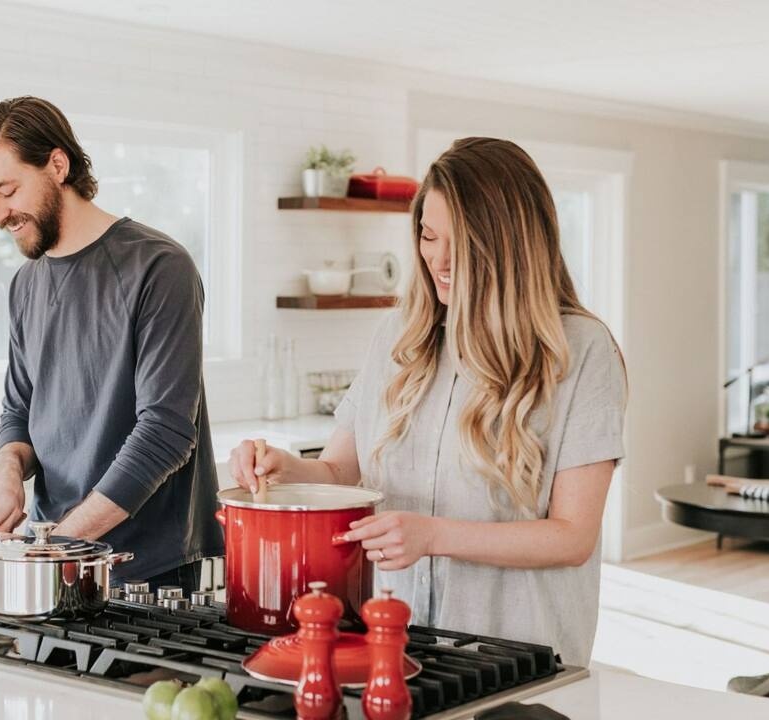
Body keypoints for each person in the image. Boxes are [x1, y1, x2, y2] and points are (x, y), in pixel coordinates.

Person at [229, 137, 626, 666]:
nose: (438, 259)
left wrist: (434, 536)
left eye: (460, 242)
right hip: (394, 644)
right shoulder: (399, 336)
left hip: (515, 654)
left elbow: (572, 536)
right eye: (428, 235)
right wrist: (287, 470)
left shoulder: (580, 351)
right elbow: (342, 471)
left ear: (511, 244)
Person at [0, 96, 223, 590]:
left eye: (7, 190)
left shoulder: (159, 267)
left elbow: (166, 432)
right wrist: (6, 474)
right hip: (52, 551)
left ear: (58, 164)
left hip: (148, 569)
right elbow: (19, 411)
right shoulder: (26, 284)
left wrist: (57, 547)